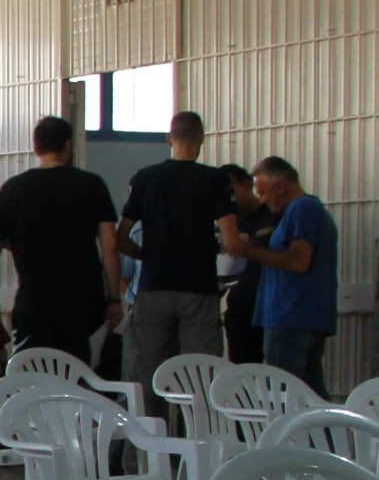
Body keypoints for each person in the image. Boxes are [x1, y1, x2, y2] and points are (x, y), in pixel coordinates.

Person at [0, 115, 120, 358]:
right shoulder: (92, 185)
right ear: (68, 146)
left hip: (34, 306)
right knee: (79, 376)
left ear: (36, 148)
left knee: (32, 375)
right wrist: (114, 300)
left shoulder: (14, 189)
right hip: (84, 306)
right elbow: (110, 248)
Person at [119, 109, 236, 368]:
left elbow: (120, 238)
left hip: (153, 285)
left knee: (148, 366)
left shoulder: (144, 178)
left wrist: (148, 255)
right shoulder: (216, 179)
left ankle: (148, 398)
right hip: (199, 285)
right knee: (200, 369)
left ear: (168, 138)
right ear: (201, 138)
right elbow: (232, 241)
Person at [224, 154, 337, 390]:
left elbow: (298, 261)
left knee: (282, 394)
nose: (262, 200)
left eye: (263, 192)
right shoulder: (310, 209)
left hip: (290, 316)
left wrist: (249, 251)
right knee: (310, 394)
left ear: (280, 186)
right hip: (304, 316)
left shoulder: (302, 209)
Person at [219, 162, 272, 366]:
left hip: (270, 306)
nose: (229, 199)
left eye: (231, 191)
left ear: (247, 184)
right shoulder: (228, 223)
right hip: (240, 309)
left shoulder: (272, 214)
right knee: (242, 372)